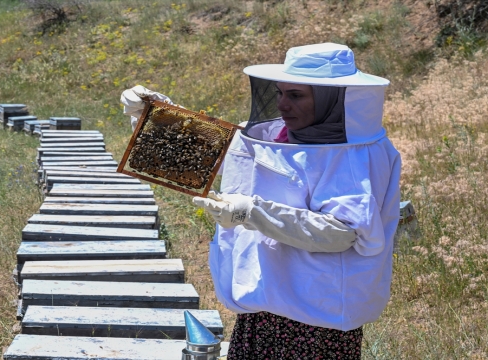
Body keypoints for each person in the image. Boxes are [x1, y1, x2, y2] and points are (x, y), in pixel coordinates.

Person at [121, 42, 401, 359]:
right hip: (262, 300)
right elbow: (200, 159)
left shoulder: (356, 153)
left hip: (318, 314)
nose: (282, 104)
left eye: (295, 95)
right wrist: (152, 114)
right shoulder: (271, 135)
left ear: (329, 100)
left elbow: (342, 233)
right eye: (280, 93)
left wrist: (252, 214)